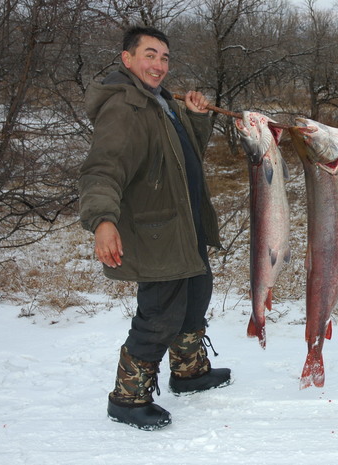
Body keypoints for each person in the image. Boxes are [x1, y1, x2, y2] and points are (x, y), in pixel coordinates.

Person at [79, 26, 231, 431]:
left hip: (186, 224)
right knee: (160, 314)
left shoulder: (160, 102)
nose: (159, 65)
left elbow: (182, 159)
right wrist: (103, 220)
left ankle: (190, 371)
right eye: (150, 55)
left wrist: (197, 121)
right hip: (156, 232)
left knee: (196, 295)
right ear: (127, 59)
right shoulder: (124, 109)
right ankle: (128, 399)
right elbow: (102, 169)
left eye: (164, 57)